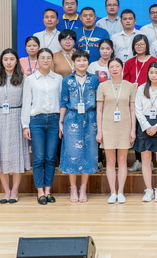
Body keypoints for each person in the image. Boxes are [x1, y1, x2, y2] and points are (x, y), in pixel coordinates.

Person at [0, 48, 29, 204]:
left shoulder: (23, 79)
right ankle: (6, 191)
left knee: (16, 155)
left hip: (17, 117)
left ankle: (15, 191)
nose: (9, 62)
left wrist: (24, 124)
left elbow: (26, 102)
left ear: (16, 61)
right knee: (0, 155)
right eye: (5, 59)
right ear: (1, 61)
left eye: (12, 59)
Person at [21, 47, 63, 204]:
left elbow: (62, 102)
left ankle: (48, 190)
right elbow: (26, 103)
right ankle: (40, 192)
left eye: (48, 57)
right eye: (42, 57)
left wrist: (61, 123)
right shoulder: (30, 80)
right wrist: (25, 125)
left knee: (50, 158)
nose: (46, 60)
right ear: (37, 60)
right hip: (36, 121)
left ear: (52, 60)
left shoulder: (58, 78)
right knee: (38, 158)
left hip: (54, 120)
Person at [59, 50, 101, 203]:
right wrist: (60, 122)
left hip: (90, 118)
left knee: (89, 153)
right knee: (72, 153)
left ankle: (83, 188)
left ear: (88, 62)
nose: (82, 63)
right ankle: (73, 188)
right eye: (78, 60)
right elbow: (63, 102)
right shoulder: (67, 80)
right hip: (72, 118)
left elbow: (99, 102)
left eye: (84, 60)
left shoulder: (94, 79)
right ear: (73, 62)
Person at [96, 58, 136, 204]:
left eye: (117, 66)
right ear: (108, 69)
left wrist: (133, 129)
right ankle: (113, 192)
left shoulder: (130, 86)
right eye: (111, 66)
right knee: (110, 161)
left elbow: (132, 109)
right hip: (108, 126)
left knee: (122, 160)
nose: (114, 69)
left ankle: (121, 191)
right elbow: (99, 110)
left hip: (125, 126)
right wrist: (99, 131)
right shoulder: (103, 86)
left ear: (122, 68)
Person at [134, 62, 157, 203]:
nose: (154, 75)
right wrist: (146, 126)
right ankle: (149, 189)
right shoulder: (141, 89)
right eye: (151, 72)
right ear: (148, 74)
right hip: (144, 125)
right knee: (145, 159)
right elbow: (137, 110)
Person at [123, 34, 157, 173]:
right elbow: (125, 81)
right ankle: (139, 160)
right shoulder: (129, 62)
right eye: (137, 44)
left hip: (151, 101)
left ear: (147, 45)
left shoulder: (153, 60)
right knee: (137, 130)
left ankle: (151, 161)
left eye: (142, 44)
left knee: (150, 129)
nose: (139, 47)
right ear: (133, 46)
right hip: (133, 101)